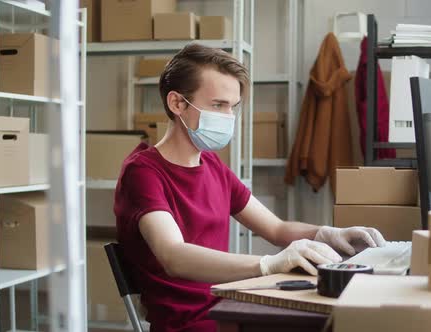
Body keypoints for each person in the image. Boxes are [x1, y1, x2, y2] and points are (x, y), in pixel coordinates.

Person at [114, 44, 386, 332]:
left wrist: (328, 234)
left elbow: (277, 229)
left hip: (227, 305)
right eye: (218, 105)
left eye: (233, 106)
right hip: (190, 324)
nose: (228, 117)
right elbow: (174, 255)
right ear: (177, 103)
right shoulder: (143, 172)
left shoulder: (212, 165)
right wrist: (269, 264)